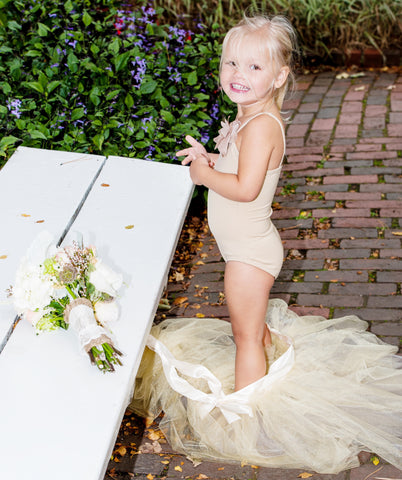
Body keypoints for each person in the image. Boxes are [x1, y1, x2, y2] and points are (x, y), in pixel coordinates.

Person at [176, 15, 296, 390]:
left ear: (279, 77)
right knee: (252, 326)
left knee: (244, 339)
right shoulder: (250, 117)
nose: (237, 73)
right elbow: (242, 169)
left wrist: (204, 176)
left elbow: (245, 189)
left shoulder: (261, 126)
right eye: (231, 62)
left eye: (254, 66)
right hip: (243, 248)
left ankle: (247, 414)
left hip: (250, 255)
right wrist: (213, 161)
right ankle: (275, 369)